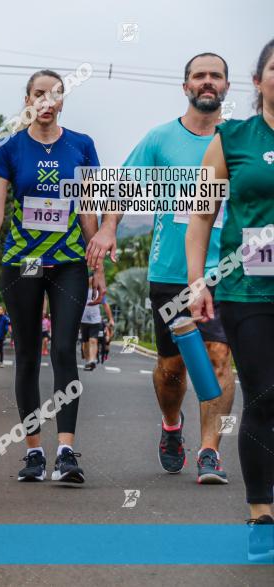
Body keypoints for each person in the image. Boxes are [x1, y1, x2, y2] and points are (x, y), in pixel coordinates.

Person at [0, 69, 117, 484]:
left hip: (70, 262)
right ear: (27, 100)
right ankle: (34, 451)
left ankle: (67, 451)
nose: (46, 101)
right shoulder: (10, 148)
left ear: (62, 101)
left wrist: (98, 266)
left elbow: (89, 207)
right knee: (26, 356)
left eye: (54, 94)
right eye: (38, 94)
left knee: (62, 353)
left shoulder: (81, 145)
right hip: (23, 263)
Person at [121, 52, 236, 484]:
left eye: (216, 76)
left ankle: (209, 451)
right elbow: (118, 187)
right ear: (186, 85)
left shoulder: (238, 140)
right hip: (169, 271)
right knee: (173, 368)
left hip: (226, 270)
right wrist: (108, 231)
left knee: (219, 356)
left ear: (227, 86)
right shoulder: (159, 138)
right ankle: (172, 426)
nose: (208, 82)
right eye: (199, 76)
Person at [187, 40, 274, 545]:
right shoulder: (232, 138)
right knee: (264, 394)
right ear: (258, 80)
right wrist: (198, 280)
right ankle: (262, 508)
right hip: (249, 289)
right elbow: (201, 216)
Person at [80, 277, 114, 371]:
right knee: (85, 343)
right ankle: (88, 361)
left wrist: (111, 319)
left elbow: (105, 305)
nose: (93, 279)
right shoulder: (81, 290)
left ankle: (92, 361)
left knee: (93, 340)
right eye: (91, 277)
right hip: (83, 321)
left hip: (95, 321)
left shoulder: (99, 291)